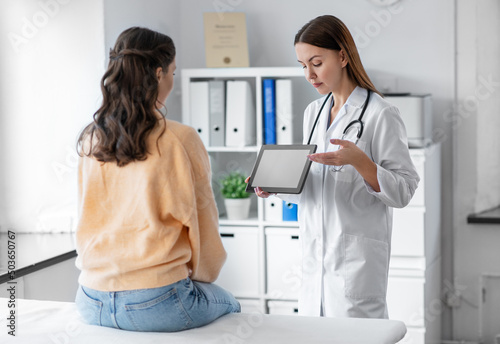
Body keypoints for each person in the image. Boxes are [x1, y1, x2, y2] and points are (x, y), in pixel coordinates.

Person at [251, 15, 419, 319]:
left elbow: (404, 190)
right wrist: (275, 186)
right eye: (303, 65)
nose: (309, 74)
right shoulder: (313, 113)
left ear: (342, 56)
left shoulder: (381, 114)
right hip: (315, 267)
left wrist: (361, 163)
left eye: (316, 62)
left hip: (356, 270)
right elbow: (316, 186)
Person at [75, 27, 240, 332]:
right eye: (173, 73)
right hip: (157, 302)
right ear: (159, 73)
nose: (173, 82)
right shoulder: (180, 138)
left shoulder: (91, 138)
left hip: (90, 299)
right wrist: (202, 275)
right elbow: (203, 221)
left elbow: (86, 212)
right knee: (231, 304)